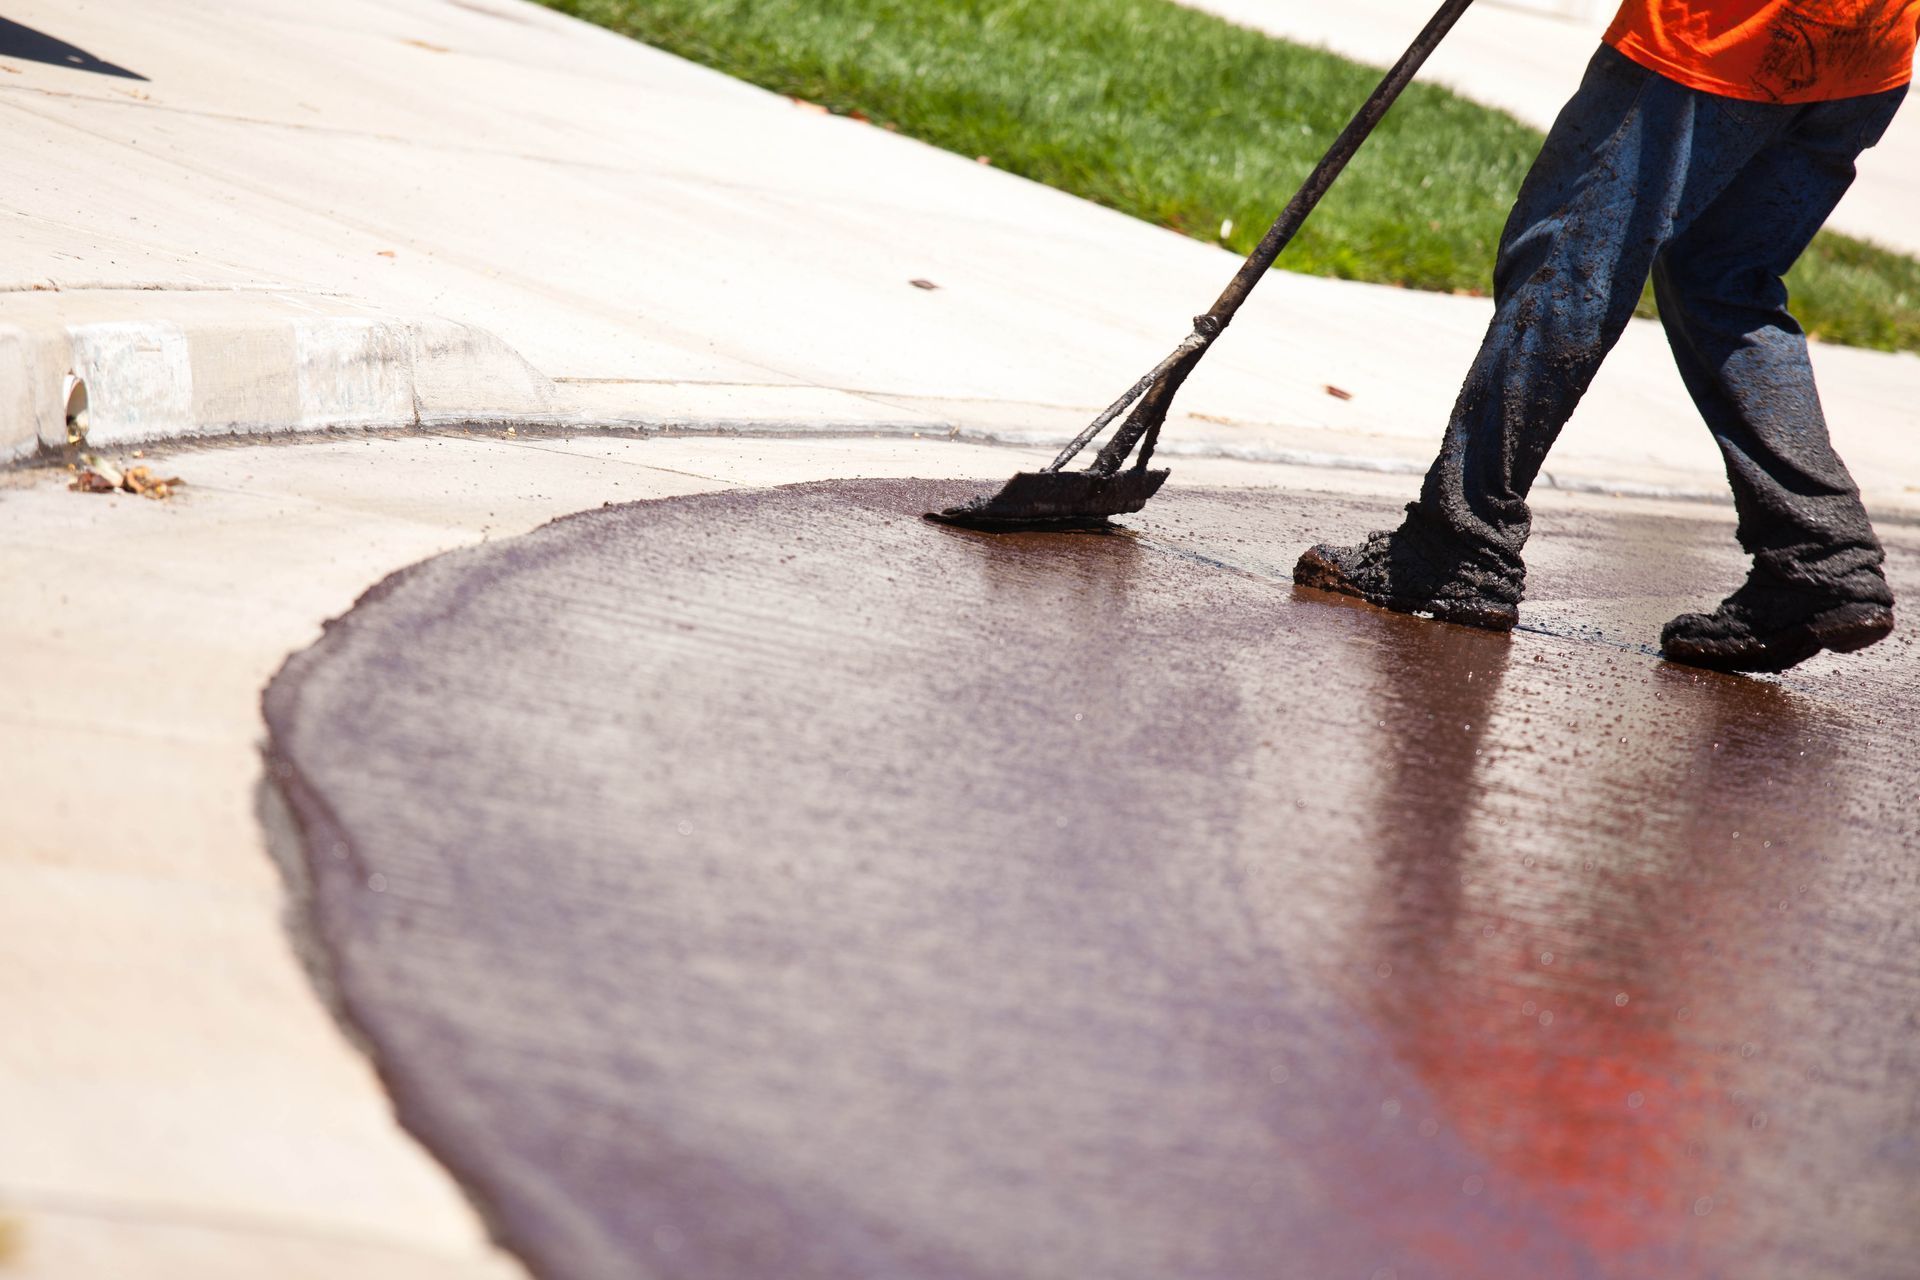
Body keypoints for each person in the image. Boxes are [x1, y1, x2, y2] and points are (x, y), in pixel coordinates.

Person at [1292, 0, 1919, 673]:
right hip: (1865, 42)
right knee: (1723, 279)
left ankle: (1458, 544)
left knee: (1570, 256)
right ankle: (1819, 555)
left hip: (1719, 31)